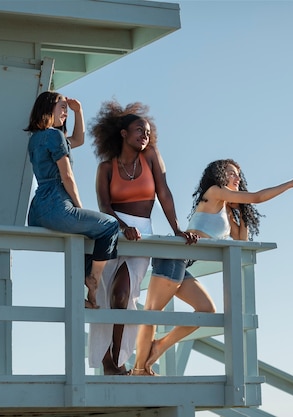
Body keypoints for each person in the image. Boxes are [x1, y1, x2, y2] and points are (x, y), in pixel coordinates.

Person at [132, 159, 293, 375]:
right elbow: (256, 197)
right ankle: (139, 369)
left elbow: (242, 242)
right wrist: (291, 183)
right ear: (219, 175)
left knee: (206, 310)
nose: (237, 178)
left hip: (183, 263)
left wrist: (243, 209)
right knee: (153, 312)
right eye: (231, 173)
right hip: (173, 257)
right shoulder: (214, 192)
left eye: (238, 175)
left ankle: (159, 346)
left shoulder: (225, 210)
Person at [87, 100, 198, 375]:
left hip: (141, 235)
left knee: (124, 293)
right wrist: (122, 227)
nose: (145, 135)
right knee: (105, 296)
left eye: (148, 131)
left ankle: (119, 359)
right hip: (112, 231)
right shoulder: (106, 168)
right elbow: (105, 207)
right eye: (139, 130)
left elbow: (164, 193)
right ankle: (106, 361)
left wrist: (177, 229)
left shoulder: (150, 157)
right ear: (123, 133)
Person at [24, 91, 120, 309]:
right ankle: (93, 281)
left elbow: (78, 140)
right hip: (57, 205)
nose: (66, 112)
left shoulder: (36, 139)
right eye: (62, 107)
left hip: (37, 210)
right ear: (48, 108)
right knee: (109, 226)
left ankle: (85, 293)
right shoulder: (54, 136)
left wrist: (79, 112)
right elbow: (67, 176)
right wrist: (79, 206)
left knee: (86, 239)